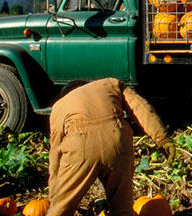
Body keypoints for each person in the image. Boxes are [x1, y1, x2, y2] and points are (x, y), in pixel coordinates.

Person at [47, 77, 175, 216]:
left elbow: (55, 154)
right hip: (118, 142)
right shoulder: (111, 84)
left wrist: (54, 196)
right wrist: (162, 139)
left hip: (81, 147)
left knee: (61, 209)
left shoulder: (59, 106)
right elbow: (140, 108)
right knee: (122, 210)